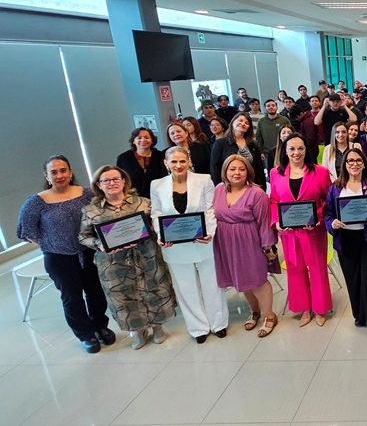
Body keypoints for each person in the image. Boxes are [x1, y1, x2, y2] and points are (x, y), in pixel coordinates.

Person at [17, 156, 112, 353]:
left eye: (63, 170)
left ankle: (100, 326)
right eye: (54, 172)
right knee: (72, 297)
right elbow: (26, 231)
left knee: (96, 292)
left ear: (70, 172)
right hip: (59, 258)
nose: (59, 175)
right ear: (47, 176)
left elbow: (101, 216)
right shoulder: (36, 202)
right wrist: (50, 244)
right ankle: (85, 334)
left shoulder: (86, 193)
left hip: (89, 252)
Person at [78, 166, 175, 350]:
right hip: (114, 263)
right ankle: (137, 331)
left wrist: (161, 234)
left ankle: (157, 327)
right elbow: (83, 236)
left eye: (116, 179)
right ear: (98, 185)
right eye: (106, 180)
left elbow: (158, 225)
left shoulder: (144, 203)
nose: (112, 183)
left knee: (154, 290)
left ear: (124, 181)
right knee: (124, 297)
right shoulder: (90, 211)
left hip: (147, 256)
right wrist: (100, 244)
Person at [150, 147, 226, 343]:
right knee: (185, 287)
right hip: (174, 245)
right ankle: (198, 328)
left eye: (182, 161)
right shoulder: (157, 185)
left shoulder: (204, 180)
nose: (178, 165)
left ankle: (218, 323)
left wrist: (209, 233)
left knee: (212, 283)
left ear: (189, 161)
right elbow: (156, 214)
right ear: (166, 163)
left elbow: (210, 209)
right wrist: (161, 235)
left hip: (203, 240)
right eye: (174, 161)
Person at [325, 148, 367, 342]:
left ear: (364, 163)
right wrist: (332, 223)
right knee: (353, 279)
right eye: (350, 161)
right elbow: (328, 212)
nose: (354, 164)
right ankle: (360, 315)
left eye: (358, 160)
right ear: (345, 165)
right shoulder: (336, 187)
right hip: (346, 239)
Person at [270, 134, 333, 327]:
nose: (296, 152)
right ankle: (305, 308)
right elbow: (274, 201)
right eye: (292, 149)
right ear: (285, 151)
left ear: (306, 150)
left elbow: (328, 201)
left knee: (318, 269)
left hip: (313, 230)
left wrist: (317, 218)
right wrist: (277, 221)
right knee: (295, 269)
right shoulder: (276, 173)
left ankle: (320, 308)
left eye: (300, 148)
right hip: (289, 232)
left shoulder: (320, 172)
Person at [213, 154, 279, 338]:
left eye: (241, 169)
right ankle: (255, 311)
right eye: (232, 169)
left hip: (250, 242)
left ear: (248, 172)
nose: (237, 173)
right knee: (241, 280)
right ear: (225, 171)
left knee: (257, 280)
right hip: (225, 243)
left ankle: (269, 316)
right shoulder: (218, 189)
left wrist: (267, 247)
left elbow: (264, 223)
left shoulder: (256, 193)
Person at [210, 112, 266, 187]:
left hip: (251, 187)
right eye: (240, 120)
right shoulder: (220, 143)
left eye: (246, 123)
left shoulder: (253, 144)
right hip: (229, 187)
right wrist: (221, 188)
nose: (243, 124)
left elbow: (259, 169)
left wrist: (262, 187)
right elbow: (215, 168)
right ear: (233, 122)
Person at [116, 127, 167, 199]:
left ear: (152, 140)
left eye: (146, 137)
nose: (143, 140)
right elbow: (120, 180)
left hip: (159, 197)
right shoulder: (123, 158)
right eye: (139, 138)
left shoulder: (161, 156)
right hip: (132, 199)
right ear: (133, 141)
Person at [256, 99, 292, 170]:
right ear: (265, 108)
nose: (271, 107)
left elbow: (291, 134)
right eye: (268, 106)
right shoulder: (261, 121)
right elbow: (259, 137)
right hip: (267, 153)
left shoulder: (284, 120)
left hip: (283, 151)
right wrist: (261, 152)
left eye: (273, 105)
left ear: (276, 107)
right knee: (271, 172)